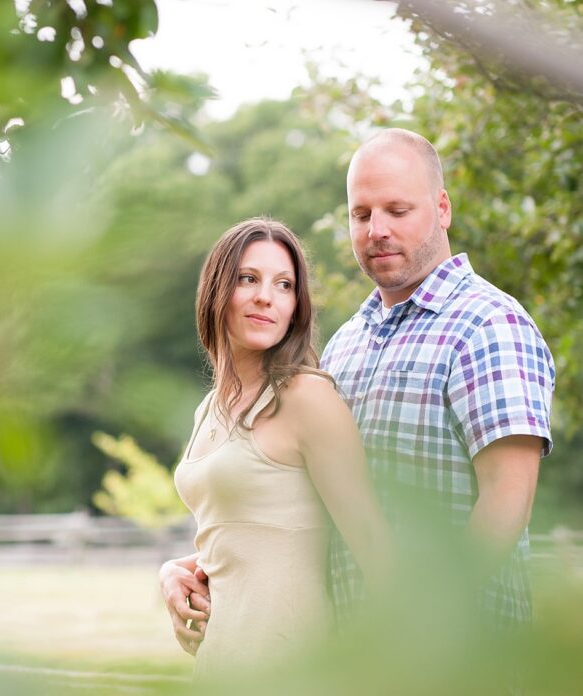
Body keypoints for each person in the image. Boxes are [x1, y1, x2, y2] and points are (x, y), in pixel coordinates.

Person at [161, 129, 556, 654]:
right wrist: (188, 568)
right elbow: (301, 506)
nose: (377, 231)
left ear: (442, 209)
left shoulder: (488, 325)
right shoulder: (348, 343)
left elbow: (507, 499)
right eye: (361, 214)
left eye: (397, 210)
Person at [165, 217, 391, 678]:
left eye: (284, 284)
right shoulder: (211, 407)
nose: (266, 296)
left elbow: (373, 546)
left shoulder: (307, 398)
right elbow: (247, 532)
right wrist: (173, 571)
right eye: (249, 279)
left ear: (296, 306)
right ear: (216, 291)